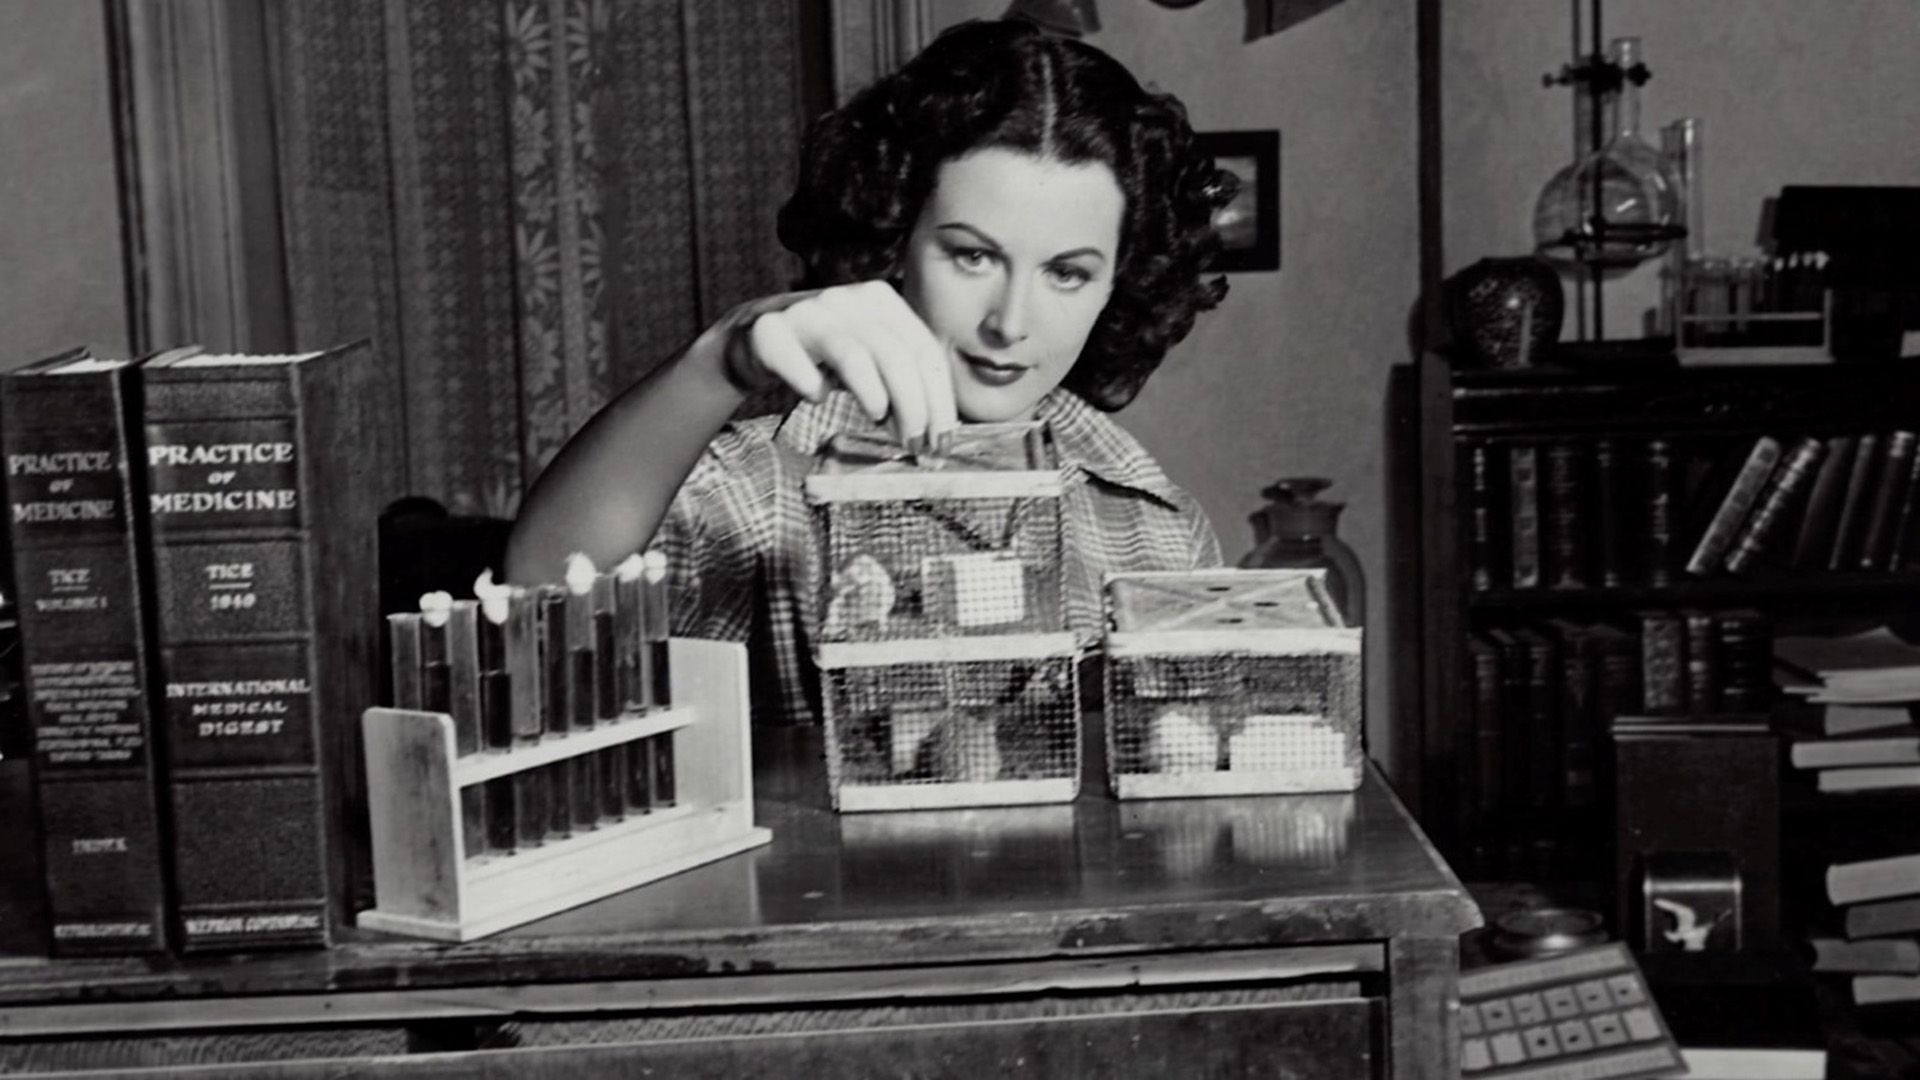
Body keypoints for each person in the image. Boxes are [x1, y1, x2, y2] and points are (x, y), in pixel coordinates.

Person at [506, 18, 1236, 725]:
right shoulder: (757, 493)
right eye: (972, 256)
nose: (1010, 322)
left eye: (1067, 273)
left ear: (1120, 282)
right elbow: (543, 596)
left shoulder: (1158, 529)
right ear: (897, 240)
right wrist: (717, 360)